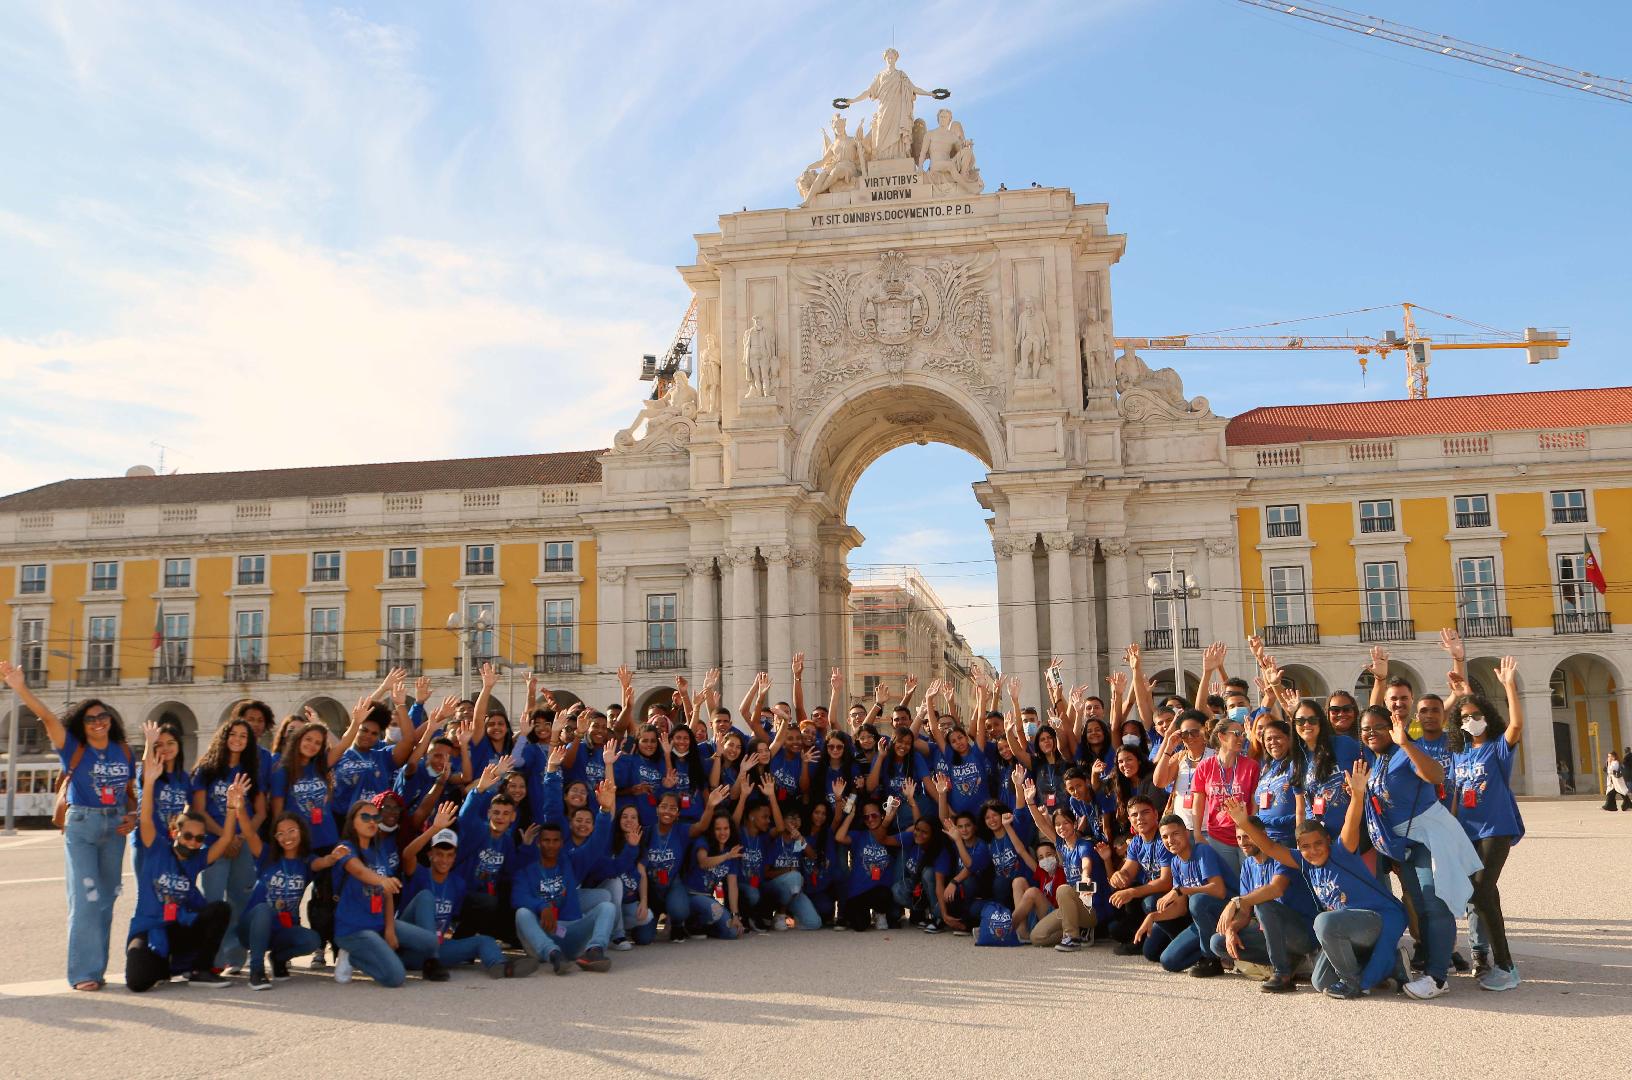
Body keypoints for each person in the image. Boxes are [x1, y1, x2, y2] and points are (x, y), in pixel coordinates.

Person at [1, 662, 136, 992]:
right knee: (87, 898)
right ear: (82, 724)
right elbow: (48, 717)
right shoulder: (73, 749)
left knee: (107, 899)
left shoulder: (124, 751)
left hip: (115, 826)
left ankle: (97, 969)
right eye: (91, 718)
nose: (98, 722)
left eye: (103, 716)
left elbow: (130, 792)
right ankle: (83, 972)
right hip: (83, 825)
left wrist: (133, 814)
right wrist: (20, 687)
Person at [1225, 768, 1409, 1000]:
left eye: (1317, 844)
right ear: (1299, 848)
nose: (1312, 851)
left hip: (1376, 919)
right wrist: (1243, 821)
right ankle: (1394, 966)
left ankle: (1352, 982)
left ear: (1328, 841)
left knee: (1323, 921)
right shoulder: (1303, 862)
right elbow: (1270, 847)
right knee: (1320, 981)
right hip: (1345, 928)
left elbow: (1351, 822)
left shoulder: (1342, 852)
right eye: (1305, 846)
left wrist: (1358, 795)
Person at [1357, 704, 1483, 1000]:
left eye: (1377, 726)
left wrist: (1405, 743)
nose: (1371, 732)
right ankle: (1434, 968)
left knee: (1435, 903)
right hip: (1405, 845)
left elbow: (1437, 775)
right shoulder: (1376, 760)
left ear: (1392, 727)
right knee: (1421, 905)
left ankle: (1437, 977)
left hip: (1429, 836)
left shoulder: (1404, 751)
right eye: (1365, 728)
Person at [126, 730, 248, 992]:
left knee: (220, 909)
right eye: (188, 836)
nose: (193, 842)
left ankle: (199, 969)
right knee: (138, 982)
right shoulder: (155, 849)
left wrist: (231, 807)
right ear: (174, 832)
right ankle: (166, 965)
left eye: (198, 838)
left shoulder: (196, 859)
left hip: (179, 927)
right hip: (150, 927)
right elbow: (145, 818)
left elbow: (225, 839)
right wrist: (148, 783)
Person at [1449, 655, 1525, 991]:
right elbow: (1454, 795)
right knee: (1485, 895)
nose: (1471, 720)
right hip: (1467, 831)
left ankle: (1507, 966)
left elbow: (1517, 726)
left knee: (1480, 892)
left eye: (1477, 715)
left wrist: (1508, 685)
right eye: (1465, 717)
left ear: (1487, 717)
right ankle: (1501, 964)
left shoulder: (1496, 748)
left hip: (1496, 828)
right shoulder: (1458, 754)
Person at [399, 803, 538, 980]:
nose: (444, 859)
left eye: (449, 855)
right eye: (439, 854)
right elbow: (407, 855)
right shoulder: (419, 874)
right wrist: (434, 829)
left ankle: (501, 967)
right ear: (430, 855)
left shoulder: (457, 884)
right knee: (426, 897)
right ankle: (432, 961)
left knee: (484, 941)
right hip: (410, 949)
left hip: (436, 950)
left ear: (455, 857)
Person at [331, 800, 444, 987]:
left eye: (375, 816)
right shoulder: (344, 849)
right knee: (396, 977)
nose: (371, 821)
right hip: (354, 930)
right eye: (365, 816)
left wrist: (390, 930)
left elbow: (388, 894)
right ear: (352, 821)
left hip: (379, 924)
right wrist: (382, 880)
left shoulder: (379, 850)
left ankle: (379, 952)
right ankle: (353, 957)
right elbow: (358, 870)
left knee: (432, 943)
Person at [1208, 808, 1318, 992]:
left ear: (1262, 836)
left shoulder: (1283, 855)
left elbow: (1276, 889)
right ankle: (1288, 961)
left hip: (1302, 933)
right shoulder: (1248, 865)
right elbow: (1245, 913)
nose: (1243, 842)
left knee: (1263, 904)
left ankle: (1282, 973)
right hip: (1272, 934)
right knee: (1217, 943)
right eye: (1239, 838)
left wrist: (1235, 901)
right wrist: (1232, 930)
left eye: (1247, 836)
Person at [238, 812, 348, 989]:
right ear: (275, 837)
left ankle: (278, 959)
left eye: (291, 831)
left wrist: (333, 858)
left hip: (282, 929)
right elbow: (249, 834)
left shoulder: (306, 861)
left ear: (301, 832)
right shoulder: (266, 855)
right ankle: (256, 971)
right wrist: (239, 807)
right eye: (280, 833)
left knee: (311, 940)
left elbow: (320, 862)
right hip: (251, 930)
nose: (286, 837)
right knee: (263, 909)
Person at [192, 716, 267, 972]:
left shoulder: (252, 772)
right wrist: (226, 835)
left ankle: (235, 957)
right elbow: (199, 810)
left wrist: (241, 837)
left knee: (240, 899)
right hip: (214, 842)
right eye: (233, 734)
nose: (237, 740)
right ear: (224, 737)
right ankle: (212, 959)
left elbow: (260, 812)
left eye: (243, 736)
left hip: (242, 844)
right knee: (214, 900)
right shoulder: (207, 769)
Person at [1139, 813, 1236, 975]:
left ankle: (1211, 959)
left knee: (1197, 901)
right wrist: (1153, 917)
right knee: (1168, 961)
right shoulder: (1176, 862)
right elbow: (1181, 908)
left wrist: (1181, 890)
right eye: (1165, 837)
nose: (1170, 840)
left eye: (1175, 834)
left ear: (1186, 833)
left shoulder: (1202, 851)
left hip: (1229, 912)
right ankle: (1212, 950)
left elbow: (1219, 891)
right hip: (1205, 921)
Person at [1105, 795, 1180, 957]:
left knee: (1148, 902)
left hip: (1174, 898)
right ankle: (1140, 938)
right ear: (1130, 819)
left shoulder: (1164, 840)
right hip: (1152, 894)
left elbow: (1166, 882)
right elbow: (1128, 873)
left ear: (1155, 815)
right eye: (1134, 815)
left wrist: (1131, 892)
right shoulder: (1137, 842)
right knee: (1115, 929)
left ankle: (1170, 937)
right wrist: (1119, 875)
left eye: (1145, 813)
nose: (1139, 818)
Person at [1190, 714, 1259, 876]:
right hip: (1218, 836)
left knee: (1250, 882)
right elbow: (1198, 802)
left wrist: (1252, 830)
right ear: (1221, 736)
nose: (1241, 738)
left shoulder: (1251, 766)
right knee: (1229, 883)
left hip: (1246, 835)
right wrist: (1197, 833)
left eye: (1243, 734)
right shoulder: (1205, 766)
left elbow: (1253, 802)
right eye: (1236, 734)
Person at [132, 719, 191, 878]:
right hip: (147, 843)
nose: (166, 748)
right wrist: (149, 743)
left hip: (173, 845)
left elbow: (190, 806)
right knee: (148, 894)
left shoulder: (184, 778)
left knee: (170, 893)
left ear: (179, 745)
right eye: (160, 744)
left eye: (170, 743)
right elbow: (146, 768)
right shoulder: (152, 772)